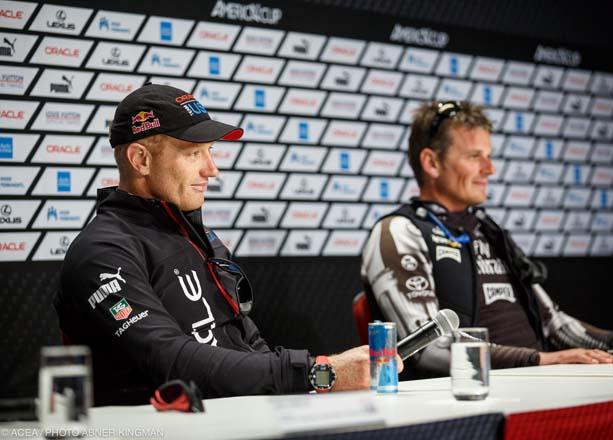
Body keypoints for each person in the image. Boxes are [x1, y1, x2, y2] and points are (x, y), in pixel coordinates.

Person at [55, 84, 398, 406]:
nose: (212, 169)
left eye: (211, 151)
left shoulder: (202, 240)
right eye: (193, 153)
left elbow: (250, 347)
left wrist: (305, 386)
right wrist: (320, 372)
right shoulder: (102, 252)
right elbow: (170, 360)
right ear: (140, 159)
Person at [361, 101, 613, 377]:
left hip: (539, 381)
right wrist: (542, 360)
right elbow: (426, 347)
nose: (489, 169)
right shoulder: (399, 232)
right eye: (474, 157)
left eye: (489, 157)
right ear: (432, 163)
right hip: (472, 399)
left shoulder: (488, 230)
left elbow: (554, 323)